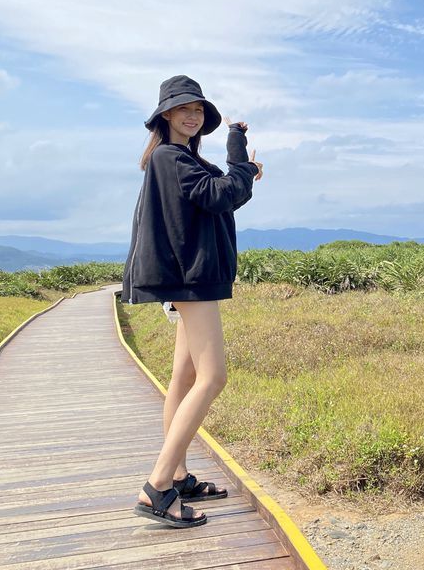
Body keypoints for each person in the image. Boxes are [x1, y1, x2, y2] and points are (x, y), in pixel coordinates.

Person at [121, 75, 263, 528]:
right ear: (165, 115)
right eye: (184, 109)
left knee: (183, 377)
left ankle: (177, 475)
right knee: (213, 376)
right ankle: (157, 487)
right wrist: (238, 158)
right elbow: (221, 195)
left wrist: (241, 173)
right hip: (190, 278)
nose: (192, 115)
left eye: (199, 110)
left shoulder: (181, 158)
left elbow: (215, 199)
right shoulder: (168, 156)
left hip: (188, 277)